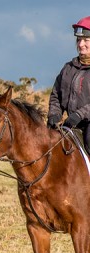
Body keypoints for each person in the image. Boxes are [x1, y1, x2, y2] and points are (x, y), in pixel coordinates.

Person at [47, 16, 90, 152]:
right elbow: (56, 95)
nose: (81, 44)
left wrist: (79, 115)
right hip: (71, 123)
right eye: (78, 40)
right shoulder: (68, 68)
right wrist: (54, 114)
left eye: (86, 40)